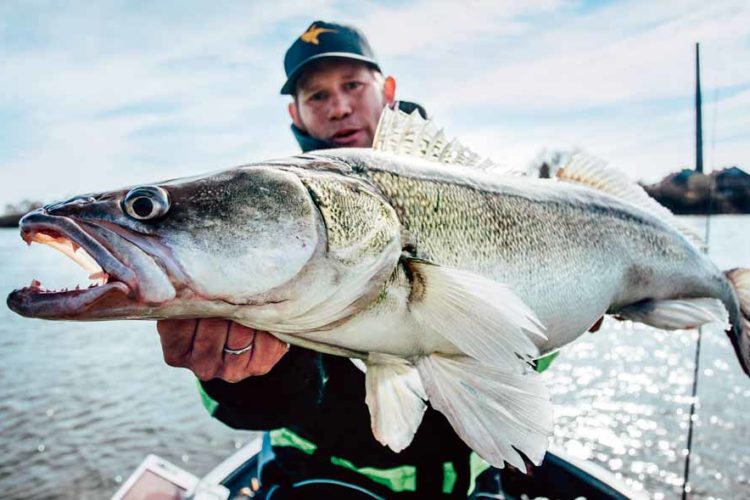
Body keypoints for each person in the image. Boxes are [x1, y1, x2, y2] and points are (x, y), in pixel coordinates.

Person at [157, 21, 547, 498]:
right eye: (316, 96)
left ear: (387, 90)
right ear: (295, 115)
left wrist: (576, 315)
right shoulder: (263, 218)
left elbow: (530, 352)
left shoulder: (477, 185)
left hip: (463, 481)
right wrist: (236, 376)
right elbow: (241, 412)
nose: (339, 107)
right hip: (319, 478)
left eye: (352, 86)